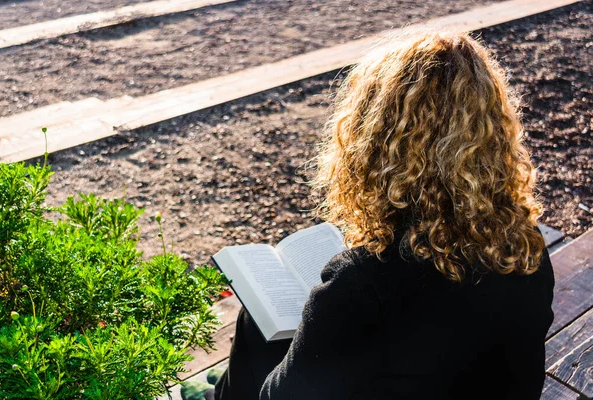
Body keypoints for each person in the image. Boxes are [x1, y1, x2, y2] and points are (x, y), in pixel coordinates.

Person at [203, 30, 554, 400]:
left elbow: (279, 396)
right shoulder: (525, 245)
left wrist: (312, 318)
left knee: (258, 321)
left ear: (373, 140)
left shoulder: (362, 283)